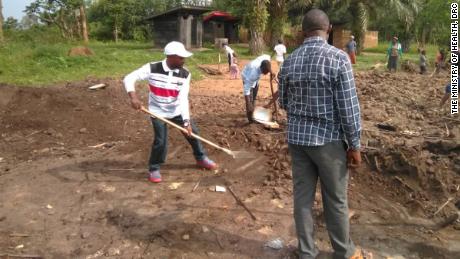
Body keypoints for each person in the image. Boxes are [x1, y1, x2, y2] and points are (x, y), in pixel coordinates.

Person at [278, 9, 363, 259]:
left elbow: (283, 102)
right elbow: (348, 107)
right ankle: (344, 252)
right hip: (328, 141)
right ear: (328, 30)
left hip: (298, 140)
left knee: (302, 199)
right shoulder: (338, 58)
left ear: (304, 32)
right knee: (335, 200)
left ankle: (306, 252)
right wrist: (355, 145)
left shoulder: (290, 60)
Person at [123, 41, 217, 184]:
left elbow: (183, 98)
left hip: (176, 110)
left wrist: (186, 122)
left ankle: (201, 158)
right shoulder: (152, 68)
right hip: (157, 112)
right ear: (171, 57)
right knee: (161, 141)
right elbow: (129, 78)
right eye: (181, 57)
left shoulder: (185, 74)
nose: (183, 60)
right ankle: (154, 168)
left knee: (193, 133)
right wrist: (133, 97)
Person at [241, 54, 273, 122]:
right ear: (261, 68)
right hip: (246, 75)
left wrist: (271, 71)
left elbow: (268, 57)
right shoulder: (253, 74)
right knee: (250, 98)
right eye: (265, 72)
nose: (267, 73)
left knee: (254, 97)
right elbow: (246, 91)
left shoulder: (266, 59)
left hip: (255, 79)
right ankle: (250, 118)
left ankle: (253, 109)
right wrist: (248, 103)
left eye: (268, 72)